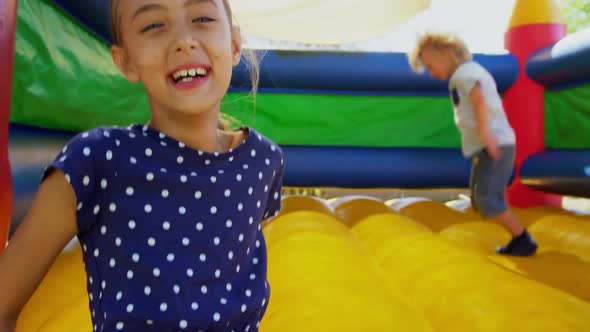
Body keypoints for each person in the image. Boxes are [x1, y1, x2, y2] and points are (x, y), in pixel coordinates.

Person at [0, 0, 284, 331]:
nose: (183, 40)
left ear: (234, 44)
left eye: (202, 18)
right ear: (126, 61)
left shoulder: (262, 161)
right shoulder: (97, 162)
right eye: (153, 26)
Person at [408, 32, 537, 256]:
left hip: (493, 142)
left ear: (447, 54)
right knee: (480, 199)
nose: (431, 72)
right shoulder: (467, 73)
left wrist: (486, 134)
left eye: (431, 65)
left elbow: (479, 100)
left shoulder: (465, 74)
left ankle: (523, 239)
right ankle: (512, 225)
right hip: (488, 145)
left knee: (487, 201)